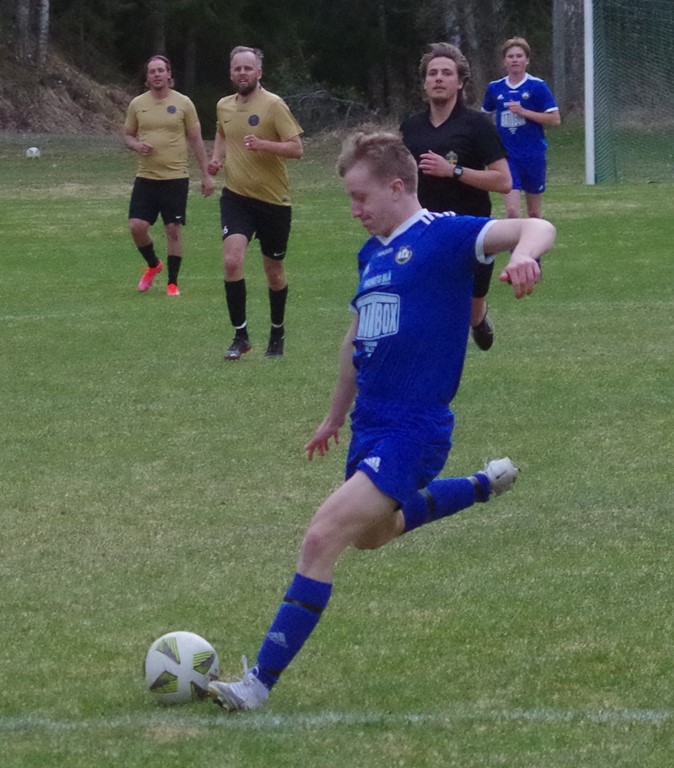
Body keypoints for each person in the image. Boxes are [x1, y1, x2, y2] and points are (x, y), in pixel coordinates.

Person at [207, 131, 556, 712]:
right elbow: (354, 340)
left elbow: (537, 228)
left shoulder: (445, 236)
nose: (355, 210)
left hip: (414, 429)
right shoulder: (370, 256)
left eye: (360, 196)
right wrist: (332, 417)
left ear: (398, 186)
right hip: (370, 425)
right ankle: (479, 485)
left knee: (322, 537)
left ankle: (256, 686)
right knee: (374, 534)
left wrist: (522, 255)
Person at [400, 42, 511, 352]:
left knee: (472, 307)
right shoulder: (411, 127)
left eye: (446, 73)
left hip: (470, 230)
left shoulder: (476, 125)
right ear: (424, 82)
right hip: (424, 229)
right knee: (428, 302)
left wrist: (454, 171)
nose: (438, 78)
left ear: (460, 82)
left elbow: (504, 181)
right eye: (432, 73)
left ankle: (479, 319)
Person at [207, 46, 304, 360]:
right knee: (232, 261)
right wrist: (215, 159)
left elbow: (297, 148)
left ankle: (277, 333)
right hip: (236, 197)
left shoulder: (274, 105)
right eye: (237, 69)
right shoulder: (223, 105)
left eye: (248, 68)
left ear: (259, 72)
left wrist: (263, 144)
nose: (242, 73)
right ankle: (241, 337)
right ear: (231, 73)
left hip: (273, 201)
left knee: (273, 270)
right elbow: (222, 134)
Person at [123, 55, 214, 295]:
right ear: (147, 77)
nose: (156, 75)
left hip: (175, 177)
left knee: (173, 229)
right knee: (136, 226)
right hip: (146, 176)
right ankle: (153, 264)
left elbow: (196, 139)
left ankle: (173, 282)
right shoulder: (137, 104)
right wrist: (137, 146)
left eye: (160, 70)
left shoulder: (184, 103)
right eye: (152, 71)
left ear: (169, 74)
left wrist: (206, 175)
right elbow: (128, 135)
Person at [482, 37, 560, 220]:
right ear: (504, 61)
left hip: (533, 155)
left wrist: (524, 112)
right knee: (512, 212)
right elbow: (484, 116)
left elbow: (555, 119)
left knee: (534, 213)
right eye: (510, 56)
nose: (515, 60)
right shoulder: (495, 88)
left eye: (519, 56)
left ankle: (533, 247)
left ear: (527, 60)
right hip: (507, 157)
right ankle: (515, 249)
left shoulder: (537, 86)